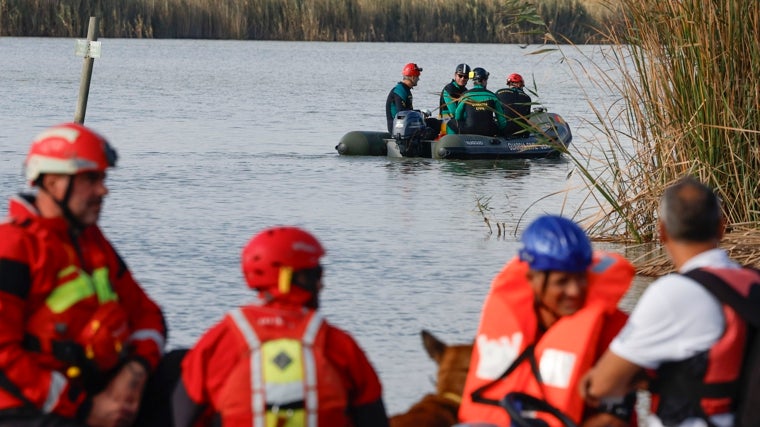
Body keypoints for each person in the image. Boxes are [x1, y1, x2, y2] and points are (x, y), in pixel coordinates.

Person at [0, 122, 179, 427]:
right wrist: (84, 410)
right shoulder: (13, 246)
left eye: (103, 178)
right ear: (54, 182)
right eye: (91, 179)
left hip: (102, 390)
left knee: (184, 368)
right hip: (31, 409)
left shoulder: (91, 240)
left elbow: (149, 315)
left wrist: (133, 373)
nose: (103, 190)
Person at [580, 177, 760, 427]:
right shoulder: (752, 284)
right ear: (721, 227)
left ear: (661, 231)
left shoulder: (673, 293)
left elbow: (601, 385)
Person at [172, 226, 389, 427]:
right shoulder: (340, 344)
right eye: (317, 273)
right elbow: (374, 418)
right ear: (295, 278)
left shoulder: (222, 338)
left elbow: (181, 417)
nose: (322, 284)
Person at [457, 215, 636, 427]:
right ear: (533, 279)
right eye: (562, 282)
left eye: (581, 278)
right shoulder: (507, 320)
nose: (575, 291)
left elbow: (614, 419)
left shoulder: (613, 330)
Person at [450, 67, 507, 136]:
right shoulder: (493, 96)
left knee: (450, 123)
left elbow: (458, 117)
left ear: (473, 81)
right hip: (489, 131)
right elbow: (502, 121)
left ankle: (454, 142)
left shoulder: (465, 96)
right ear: (483, 81)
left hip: (469, 130)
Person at [386, 62, 422, 133]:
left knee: (432, 122)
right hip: (397, 128)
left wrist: (420, 113)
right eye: (417, 77)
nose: (418, 79)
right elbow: (402, 113)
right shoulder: (400, 90)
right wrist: (419, 112)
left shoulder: (406, 90)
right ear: (413, 77)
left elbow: (408, 111)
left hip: (405, 126)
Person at [495, 73, 533, 137]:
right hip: (520, 131)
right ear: (519, 84)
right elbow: (527, 117)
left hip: (504, 130)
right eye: (522, 86)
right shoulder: (527, 97)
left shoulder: (499, 92)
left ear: (509, 83)